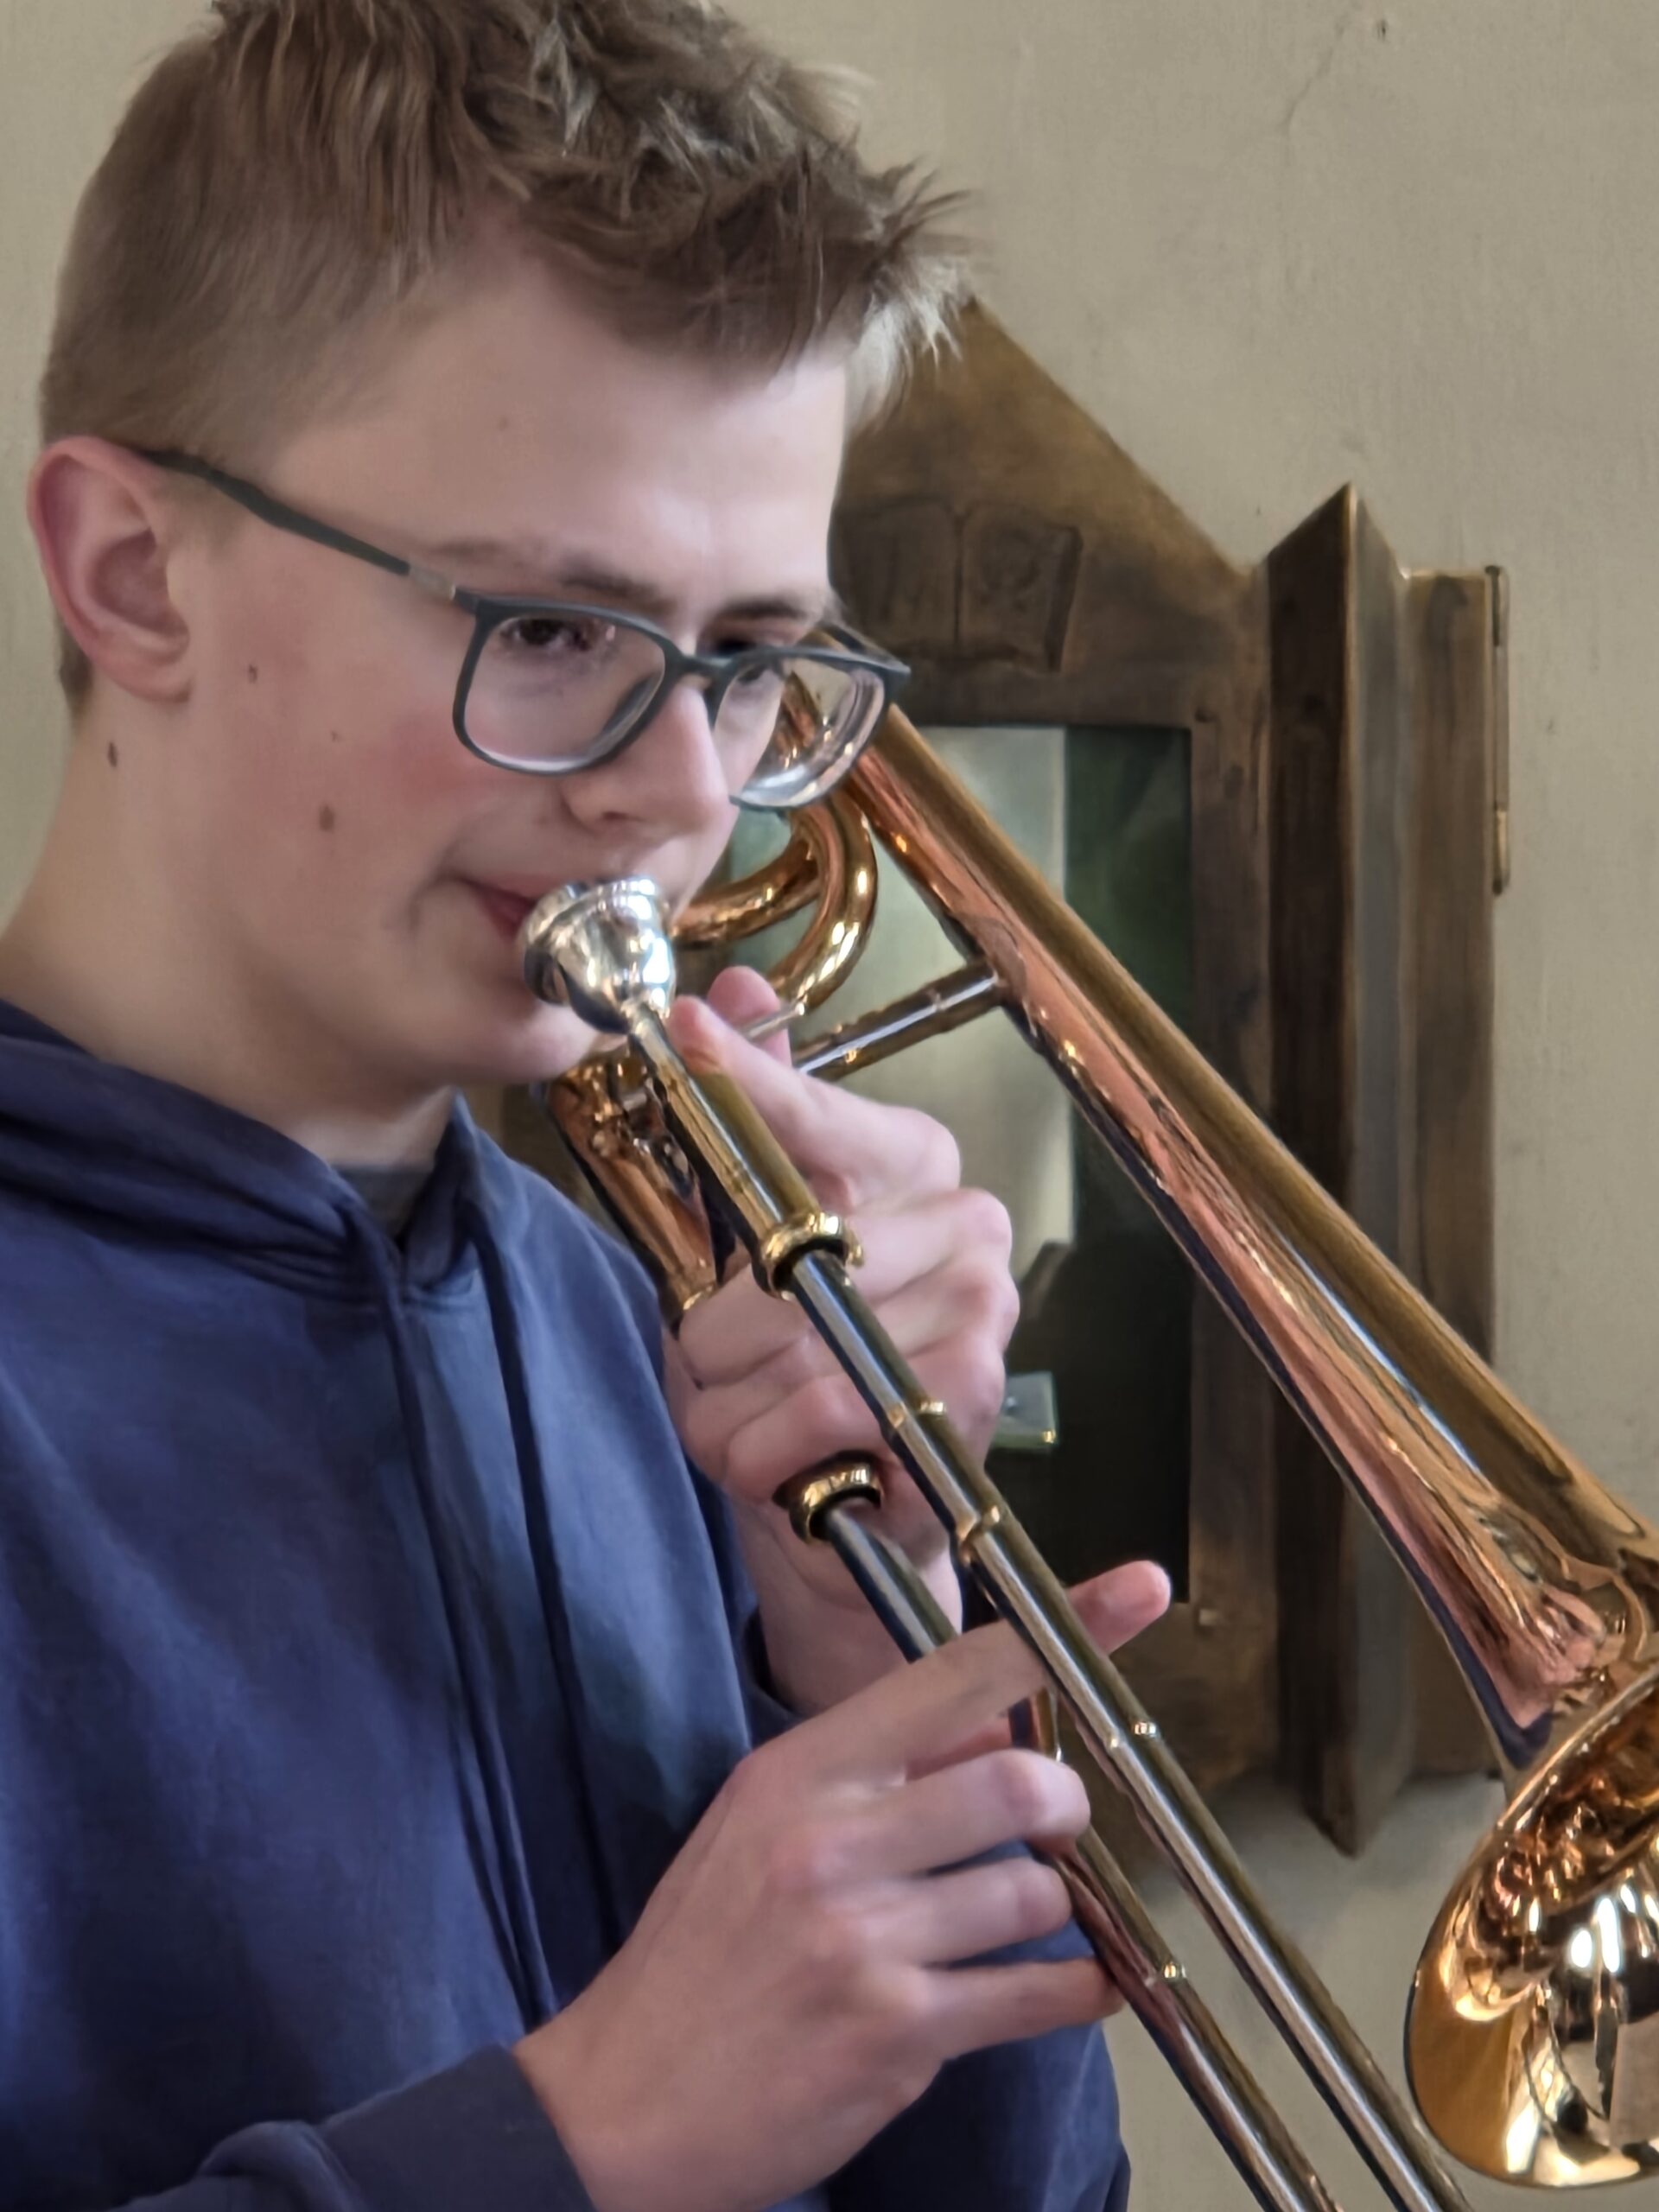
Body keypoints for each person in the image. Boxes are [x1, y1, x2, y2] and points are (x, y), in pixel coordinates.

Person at [0, 3, 1169, 2206]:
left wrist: (869, 1644)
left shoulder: (638, 1327)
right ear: (133, 573)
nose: (684, 795)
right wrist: (584, 2135)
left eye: (749, 659)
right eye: (550, 630)